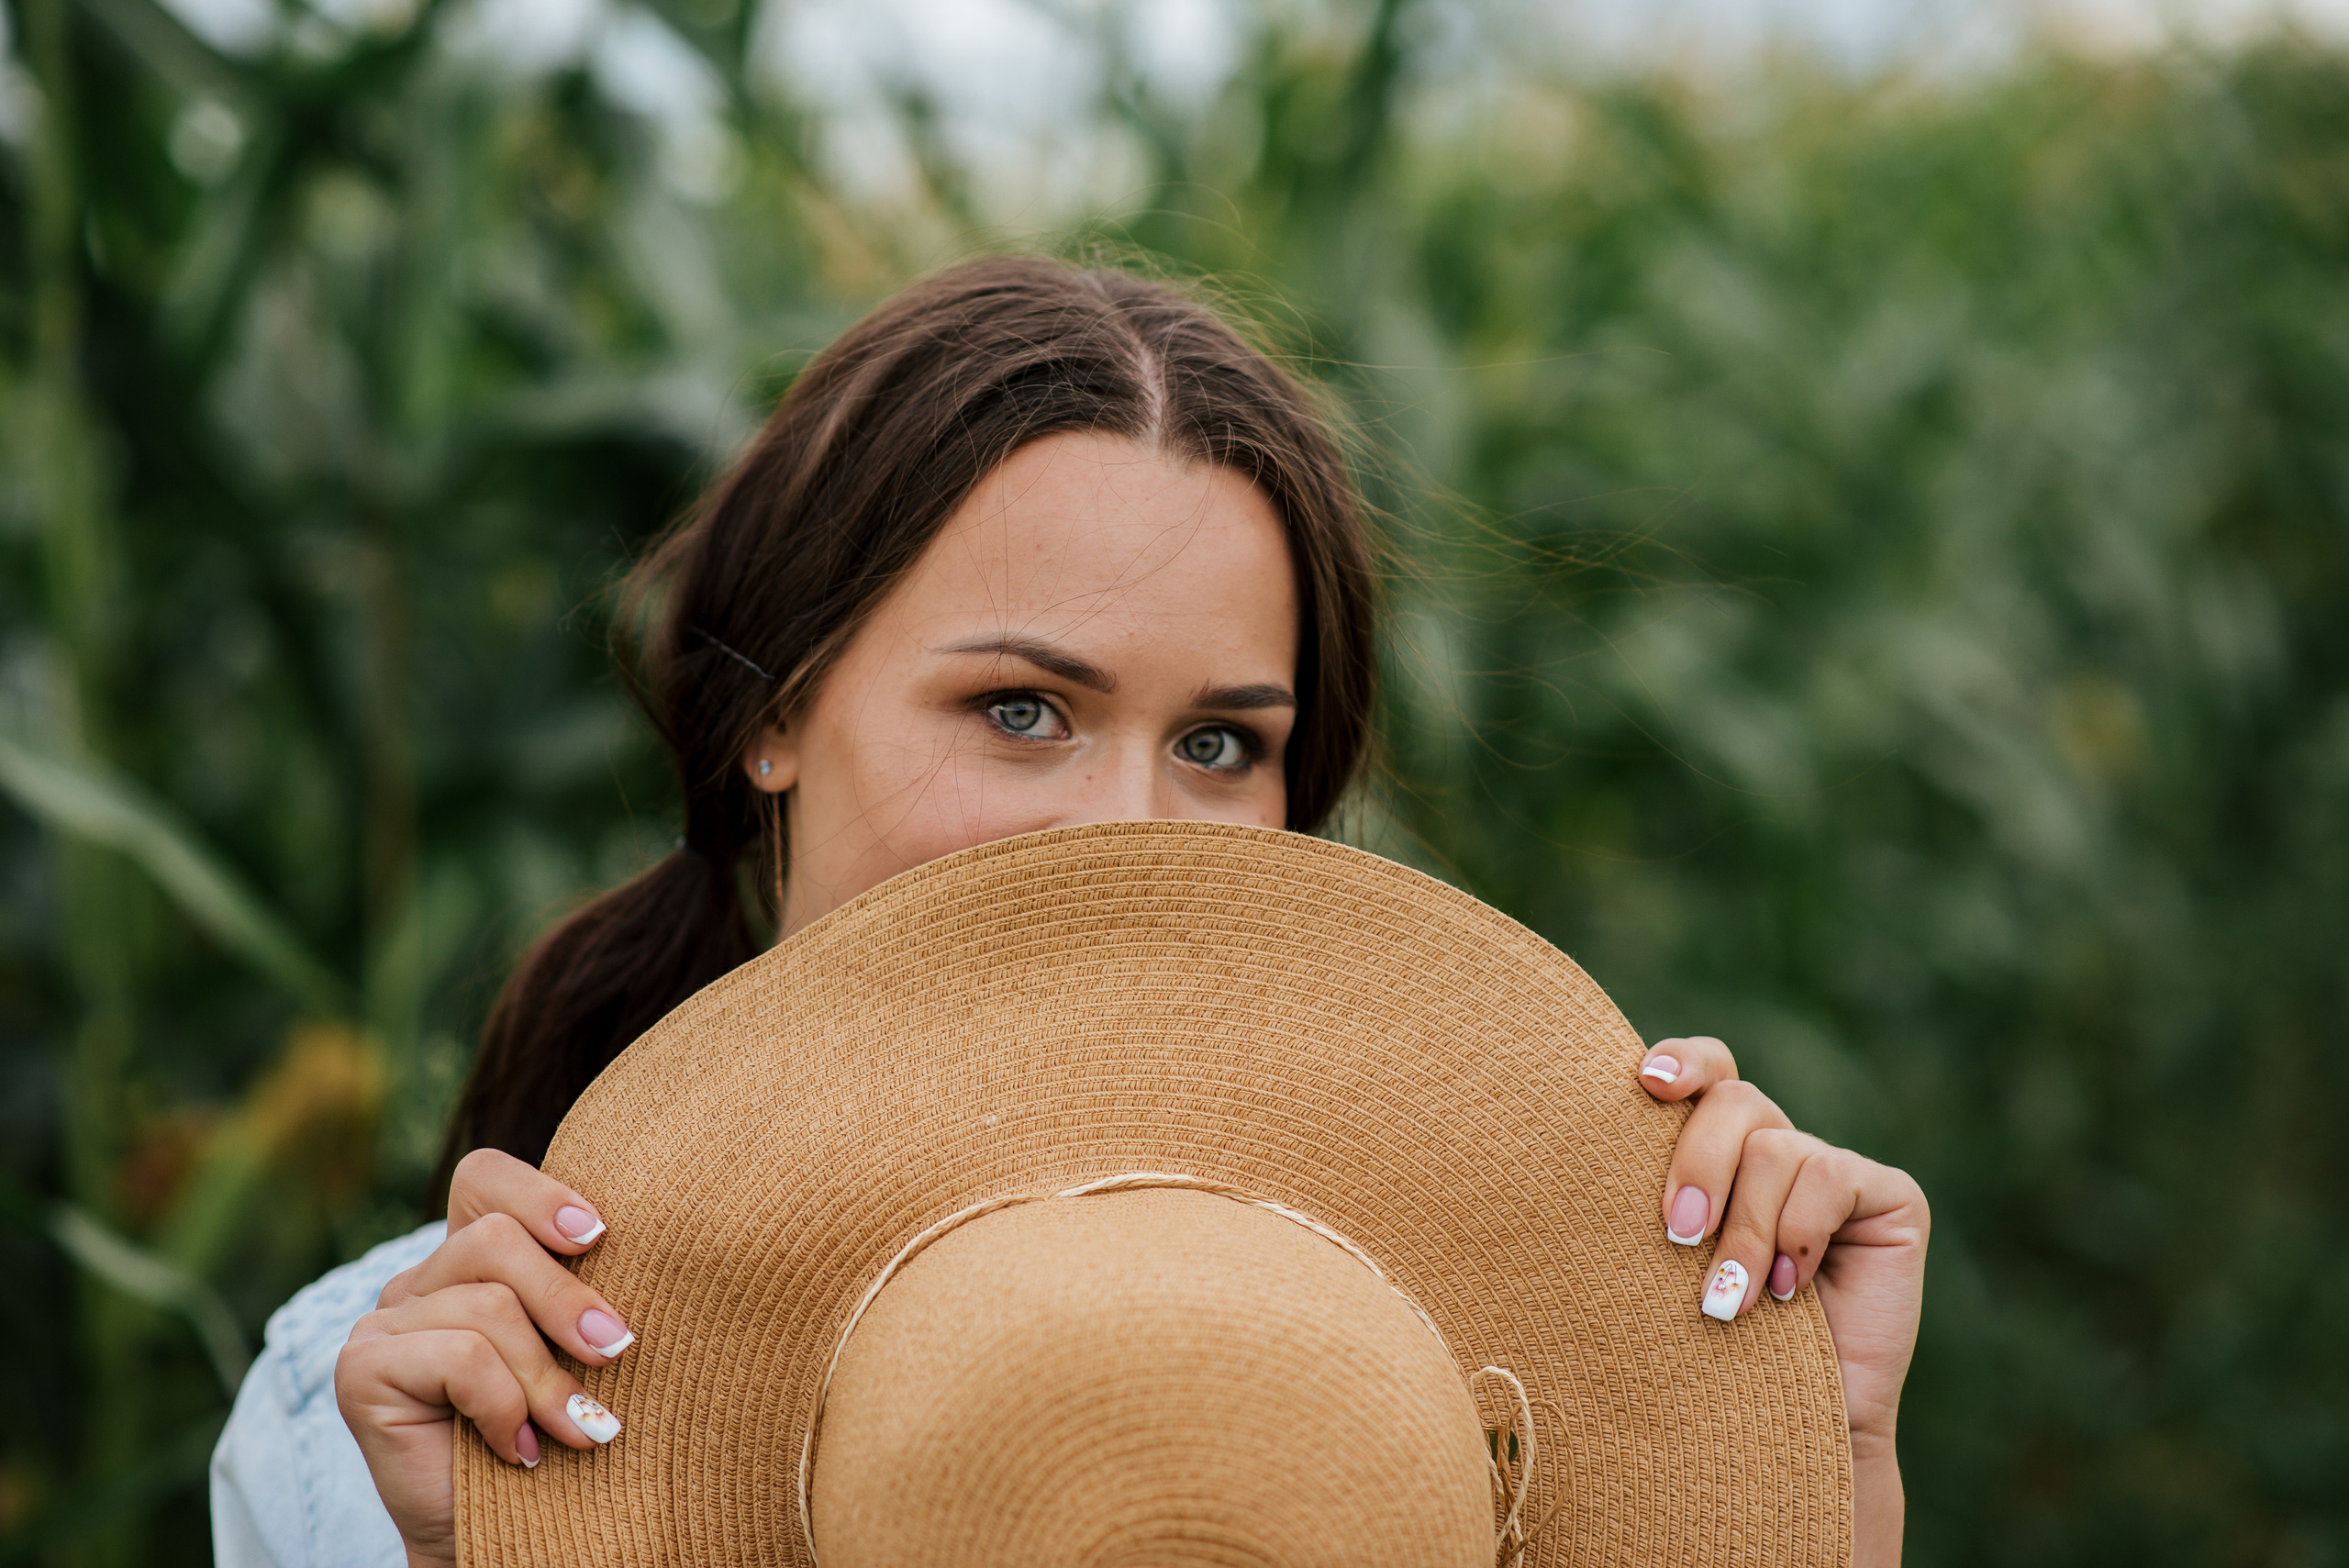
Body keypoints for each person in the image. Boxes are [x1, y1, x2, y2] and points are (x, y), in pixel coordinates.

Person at [209, 255, 1930, 1568]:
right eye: (1022, 710)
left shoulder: (1528, 1358)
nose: (1127, 830)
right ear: (771, 717)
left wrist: (1796, 1470)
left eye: (1219, 741)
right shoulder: (382, 1411)